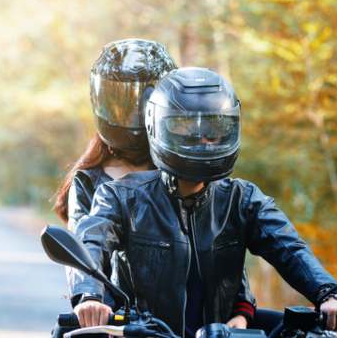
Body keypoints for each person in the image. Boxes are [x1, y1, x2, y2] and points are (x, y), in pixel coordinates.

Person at [71, 67, 337, 337]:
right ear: (157, 127)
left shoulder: (242, 199)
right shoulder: (122, 196)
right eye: (189, 131)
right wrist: (90, 296)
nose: (204, 142)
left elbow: (288, 247)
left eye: (214, 132)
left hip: (225, 331)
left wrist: (328, 294)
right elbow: (91, 242)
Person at [54, 41, 256, 332]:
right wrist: (90, 300)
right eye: (120, 101)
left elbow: (222, 238)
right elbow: (86, 252)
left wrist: (242, 309)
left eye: (142, 99)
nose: (131, 110)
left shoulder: (184, 162)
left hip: (202, 321)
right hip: (119, 324)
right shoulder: (88, 180)